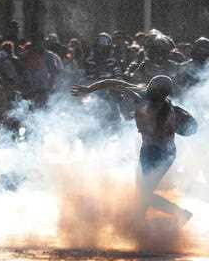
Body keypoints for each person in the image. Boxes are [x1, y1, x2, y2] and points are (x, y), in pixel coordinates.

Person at [71, 75, 197, 223]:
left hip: (162, 155)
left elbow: (191, 128)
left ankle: (180, 214)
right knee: (142, 191)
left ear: (163, 94)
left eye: (160, 93)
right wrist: (89, 88)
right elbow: (114, 82)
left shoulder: (167, 111)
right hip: (148, 150)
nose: (155, 94)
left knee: (144, 193)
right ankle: (140, 224)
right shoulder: (143, 96)